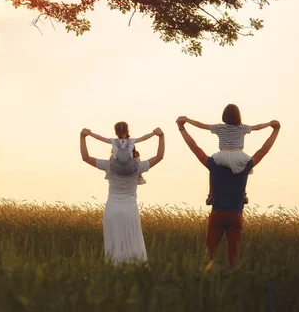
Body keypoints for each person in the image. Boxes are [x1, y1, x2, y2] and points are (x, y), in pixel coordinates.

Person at [175, 116, 280, 268]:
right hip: (235, 215)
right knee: (234, 259)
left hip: (217, 214)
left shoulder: (214, 164)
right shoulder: (245, 165)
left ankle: (208, 283)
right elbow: (263, 150)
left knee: (210, 256)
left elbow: (195, 148)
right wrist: (275, 131)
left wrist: (182, 128)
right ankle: (232, 285)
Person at [80, 126, 165, 266]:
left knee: (114, 245)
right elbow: (159, 156)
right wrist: (161, 137)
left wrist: (82, 137)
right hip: (130, 209)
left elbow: (85, 157)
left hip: (112, 208)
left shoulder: (108, 165)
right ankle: (135, 271)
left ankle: (115, 273)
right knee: (133, 242)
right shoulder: (138, 167)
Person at [183, 104, 273, 205]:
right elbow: (257, 127)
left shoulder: (219, 127)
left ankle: (211, 194)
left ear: (224, 116)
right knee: (245, 171)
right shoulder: (243, 128)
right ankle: (243, 194)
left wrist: (187, 120)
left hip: (222, 155)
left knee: (212, 170)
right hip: (239, 155)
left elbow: (202, 125)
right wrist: (269, 124)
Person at [88, 122, 156, 176]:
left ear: (116, 132)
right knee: (137, 158)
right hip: (129, 167)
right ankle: (139, 175)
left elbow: (100, 138)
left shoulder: (114, 141)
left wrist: (90, 133)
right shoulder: (131, 141)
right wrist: (153, 133)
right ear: (127, 131)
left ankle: (109, 174)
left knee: (111, 158)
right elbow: (143, 138)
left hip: (117, 167)